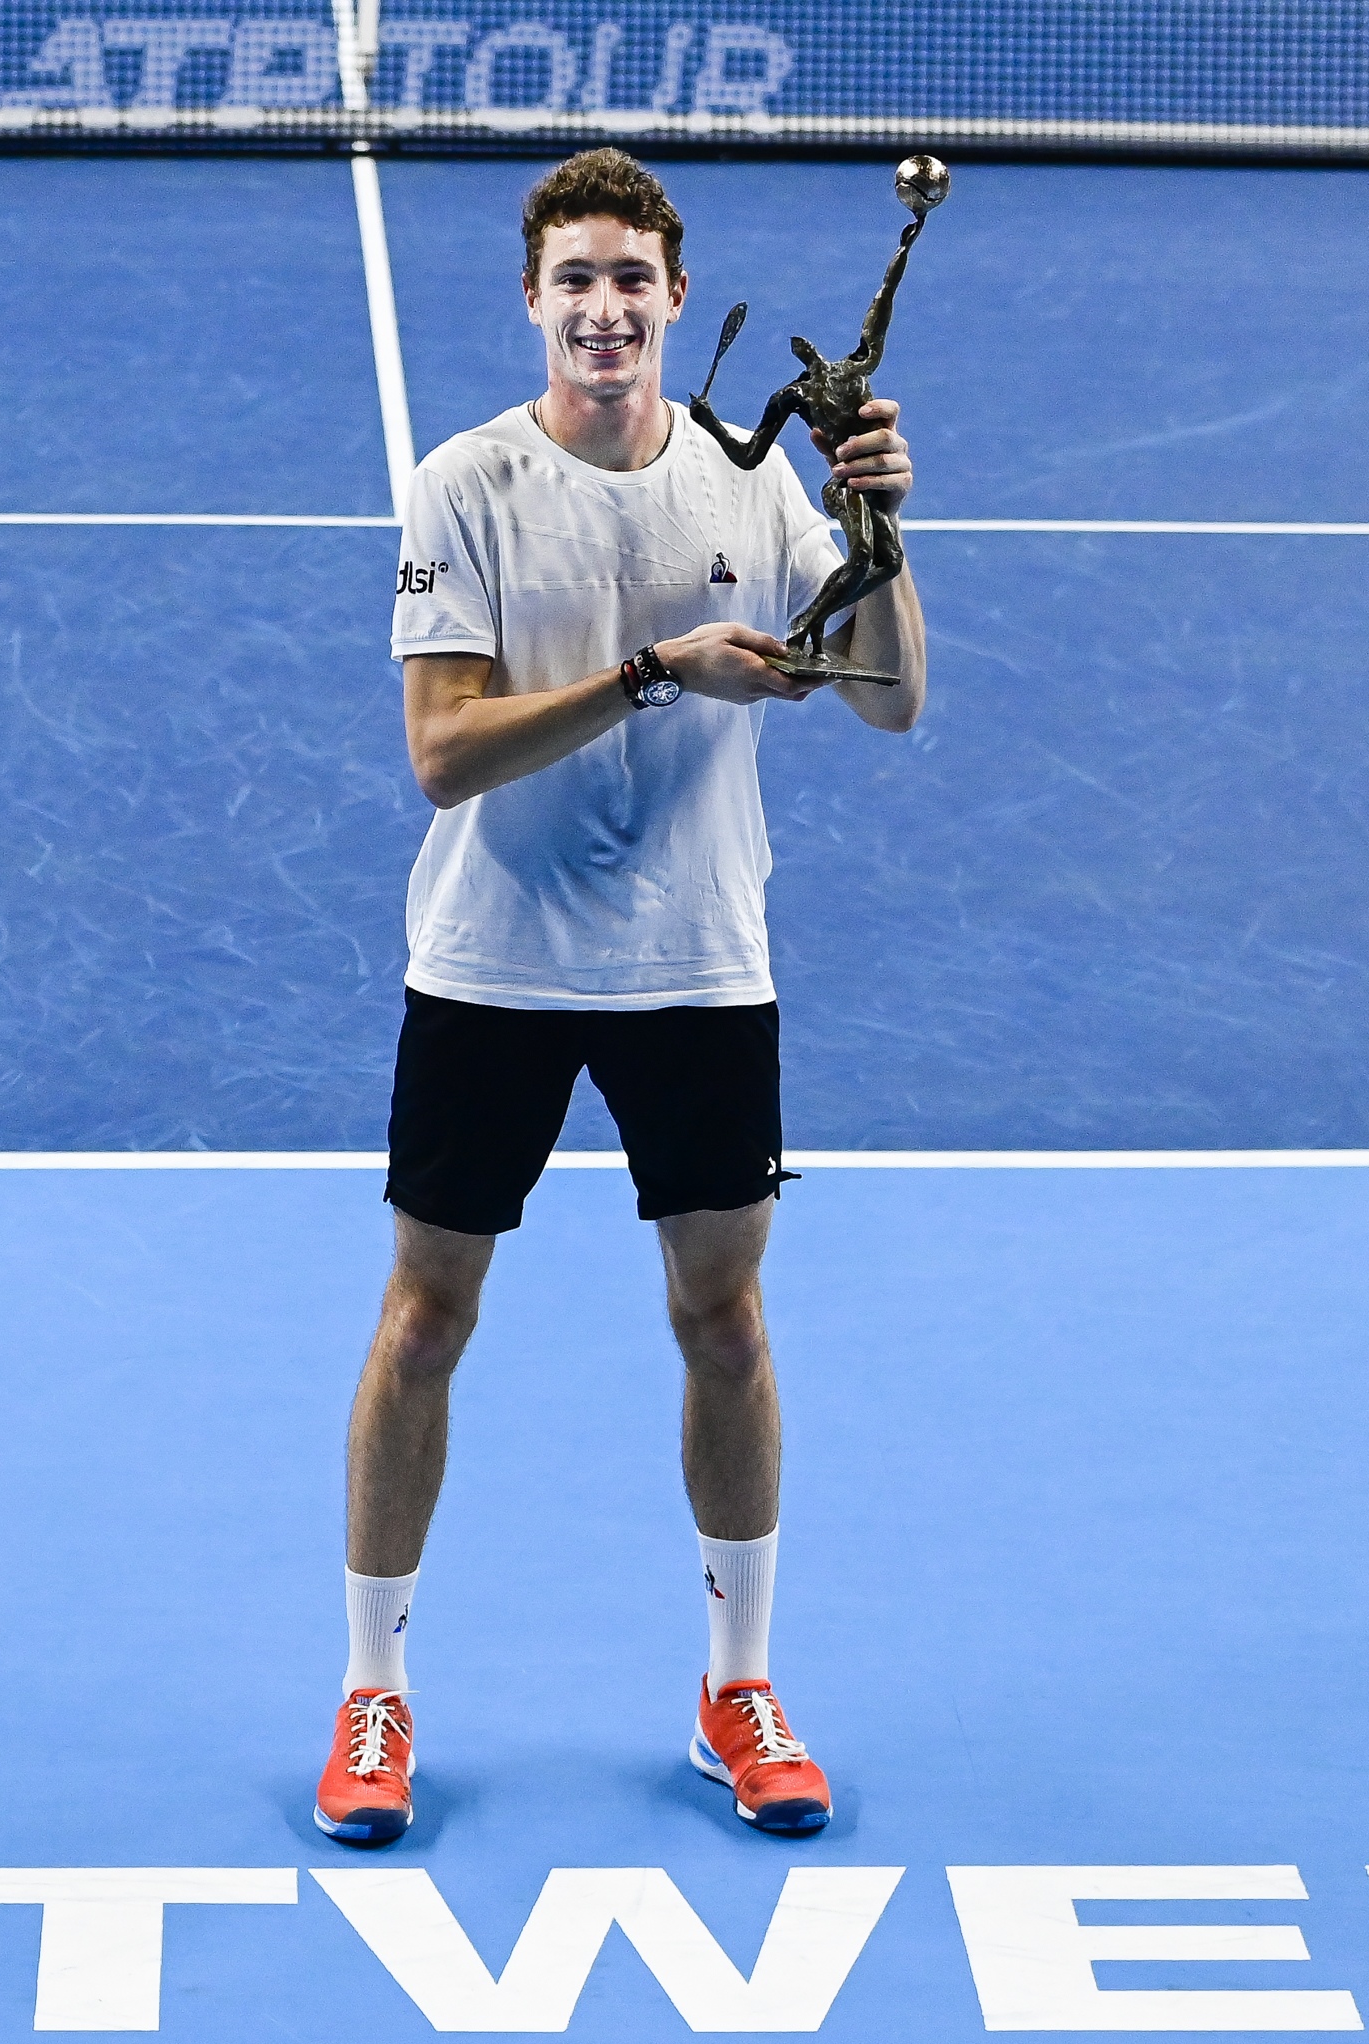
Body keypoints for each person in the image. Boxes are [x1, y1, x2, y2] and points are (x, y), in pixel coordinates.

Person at [314, 148, 927, 1845]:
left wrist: (879, 528)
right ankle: (375, 1691)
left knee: (723, 1322)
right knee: (424, 1320)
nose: (603, 307)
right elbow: (443, 756)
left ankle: (740, 1687)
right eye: (572, 279)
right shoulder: (465, 485)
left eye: (630, 280)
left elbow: (888, 702)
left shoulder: (752, 492)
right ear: (534, 301)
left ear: (671, 298)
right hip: (495, 966)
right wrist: (658, 669)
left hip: (699, 963)